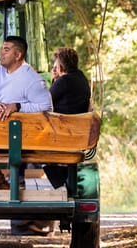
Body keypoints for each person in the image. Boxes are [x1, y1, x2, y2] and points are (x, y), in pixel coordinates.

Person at [0, 35, 52, 190]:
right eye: (2, 49)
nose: (1, 53)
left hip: (21, 136)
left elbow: (46, 107)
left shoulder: (32, 79)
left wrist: (17, 106)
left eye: (6, 50)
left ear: (18, 55)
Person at [44, 47, 91, 189]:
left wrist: (55, 80)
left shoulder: (64, 81)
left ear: (61, 66)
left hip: (62, 132)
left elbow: (44, 101)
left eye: (56, 65)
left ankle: (19, 177)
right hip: (76, 130)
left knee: (25, 141)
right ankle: (63, 181)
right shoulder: (81, 78)